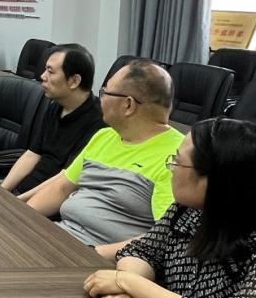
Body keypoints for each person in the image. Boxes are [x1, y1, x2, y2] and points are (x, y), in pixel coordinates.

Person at [84, 118, 256, 298]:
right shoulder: (189, 209)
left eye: (178, 161)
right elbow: (142, 252)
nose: (171, 168)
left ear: (212, 180)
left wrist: (130, 283)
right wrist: (126, 289)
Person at [27, 59, 184, 259]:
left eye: (105, 93)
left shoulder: (179, 157)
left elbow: (164, 237)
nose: (100, 99)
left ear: (128, 105)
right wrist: (22, 218)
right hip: (61, 237)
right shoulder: (104, 136)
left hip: (100, 259)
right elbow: (62, 188)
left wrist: (92, 254)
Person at [1, 44, 106, 194]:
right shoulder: (55, 106)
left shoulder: (99, 122)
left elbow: (65, 180)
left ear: (74, 81)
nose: (42, 76)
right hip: (24, 190)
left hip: (48, 198)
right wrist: (2, 190)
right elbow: (32, 154)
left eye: (50, 72)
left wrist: (18, 200)